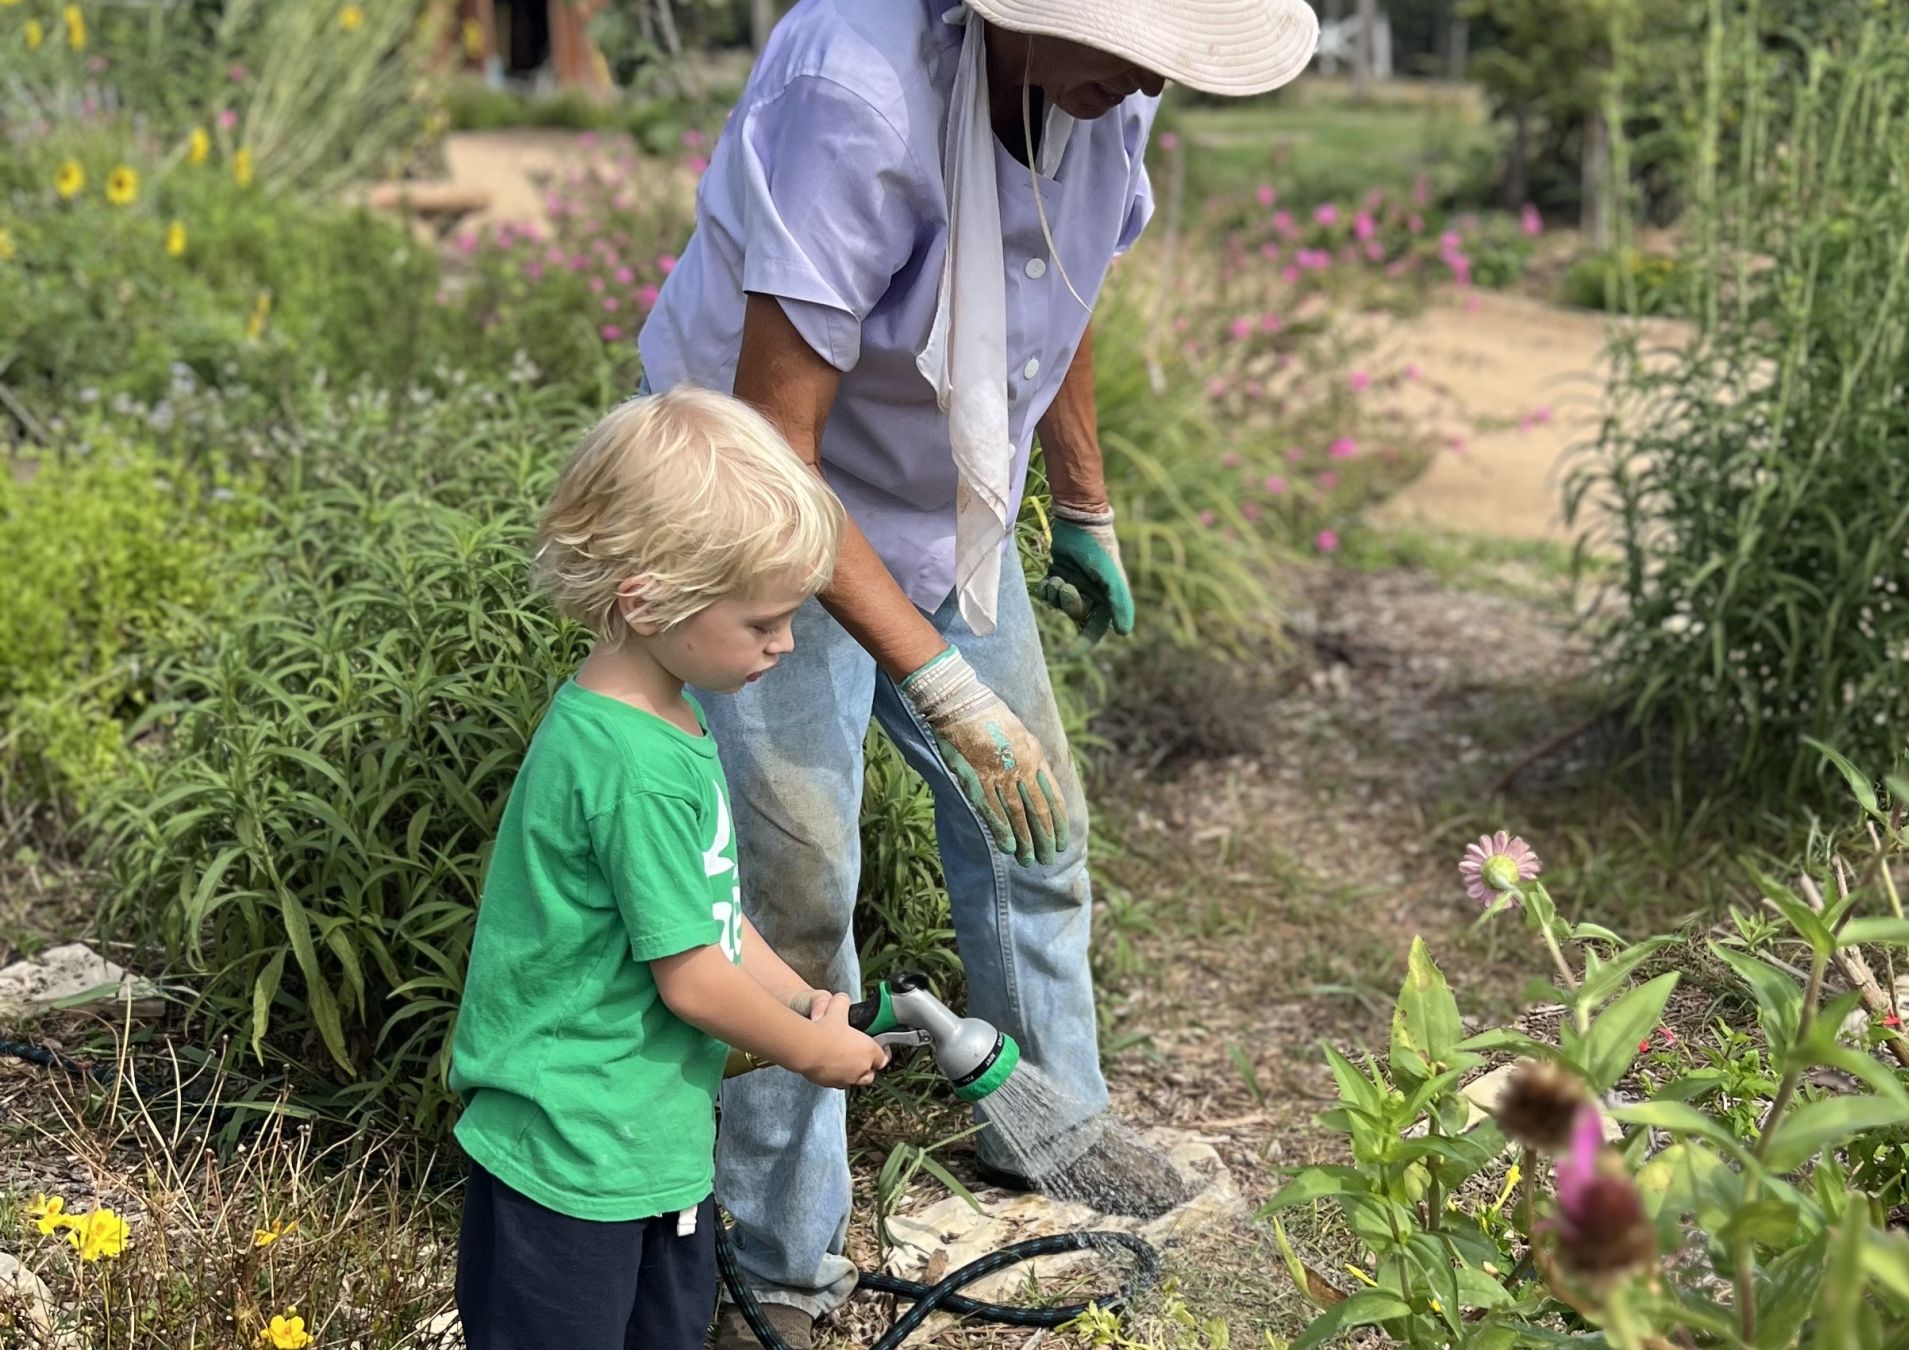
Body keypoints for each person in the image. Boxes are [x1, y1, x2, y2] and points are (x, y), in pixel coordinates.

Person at [635, 1, 1319, 1343]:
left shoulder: (1107, 82)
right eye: (1123, 47)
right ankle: (778, 1261)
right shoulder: (859, 92)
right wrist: (940, 679)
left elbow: (1054, 283)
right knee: (792, 887)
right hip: (751, 500)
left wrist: (1085, 502)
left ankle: (1053, 1136)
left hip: (936, 491)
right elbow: (779, 455)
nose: (1140, 81)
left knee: (1036, 824)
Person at [448, 385, 892, 1350]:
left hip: (647, 1142)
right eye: (764, 623)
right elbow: (692, 979)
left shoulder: (670, 717)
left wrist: (807, 999)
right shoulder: (630, 767)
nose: (784, 645)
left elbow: (715, 918)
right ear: (648, 598)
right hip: (572, 1157)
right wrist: (806, 1050)